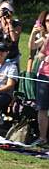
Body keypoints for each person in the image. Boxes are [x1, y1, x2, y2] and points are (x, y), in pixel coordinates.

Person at [31, 13, 49, 146]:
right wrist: (33, 33)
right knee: (42, 108)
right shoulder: (46, 39)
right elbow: (36, 50)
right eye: (47, 21)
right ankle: (42, 138)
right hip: (43, 76)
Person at [0, 1, 21, 67]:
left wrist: (10, 23)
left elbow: (14, 39)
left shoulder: (16, 24)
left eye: (7, 10)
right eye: (3, 10)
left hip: (12, 57)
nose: (5, 12)